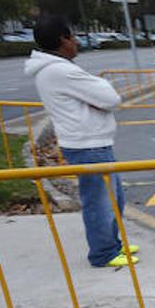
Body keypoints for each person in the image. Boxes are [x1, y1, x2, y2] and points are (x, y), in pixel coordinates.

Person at [24, 14, 137, 268]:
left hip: (90, 143)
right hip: (88, 145)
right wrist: (101, 85)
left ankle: (112, 243)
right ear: (63, 40)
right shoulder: (61, 71)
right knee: (100, 202)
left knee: (114, 198)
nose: (76, 43)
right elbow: (111, 99)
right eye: (73, 37)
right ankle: (103, 252)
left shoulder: (56, 69)